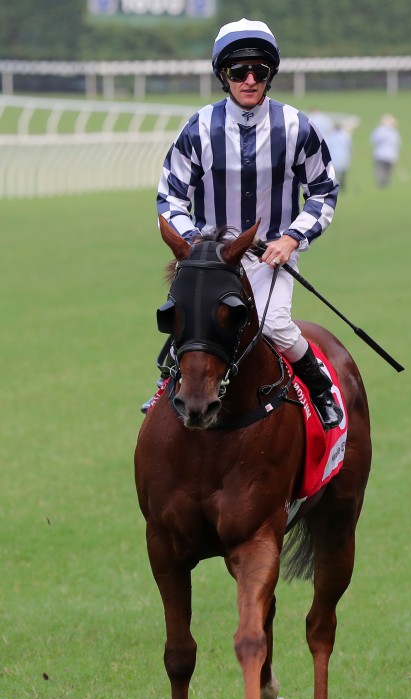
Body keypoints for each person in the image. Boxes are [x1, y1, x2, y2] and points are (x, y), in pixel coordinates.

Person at [153, 17, 343, 429]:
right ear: (225, 75)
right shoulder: (198, 128)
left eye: (260, 70)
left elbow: (324, 190)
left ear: (271, 74)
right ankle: (164, 387)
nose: (250, 79)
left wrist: (292, 238)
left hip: (269, 259)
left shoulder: (297, 127)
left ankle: (322, 388)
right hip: (210, 262)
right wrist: (196, 245)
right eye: (240, 71)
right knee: (188, 327)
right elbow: (169, 197)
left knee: (274, 326)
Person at [369, 114, 402, 188]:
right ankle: (385, 185)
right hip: (390, 155)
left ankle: (382, 185)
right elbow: (398, 143)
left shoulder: (379, 130)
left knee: (381, 171)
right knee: (387, 172)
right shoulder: (394, 132)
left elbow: (373, 140)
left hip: (381, 154)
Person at [325, 121, 353, 193]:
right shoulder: (345, 136)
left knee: (334, 173)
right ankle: (342, 188)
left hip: (334, 156)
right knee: (343, 173)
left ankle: (334, 187)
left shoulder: (331, 136)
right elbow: (350, 146)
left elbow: (327, 147)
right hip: (343, 156)